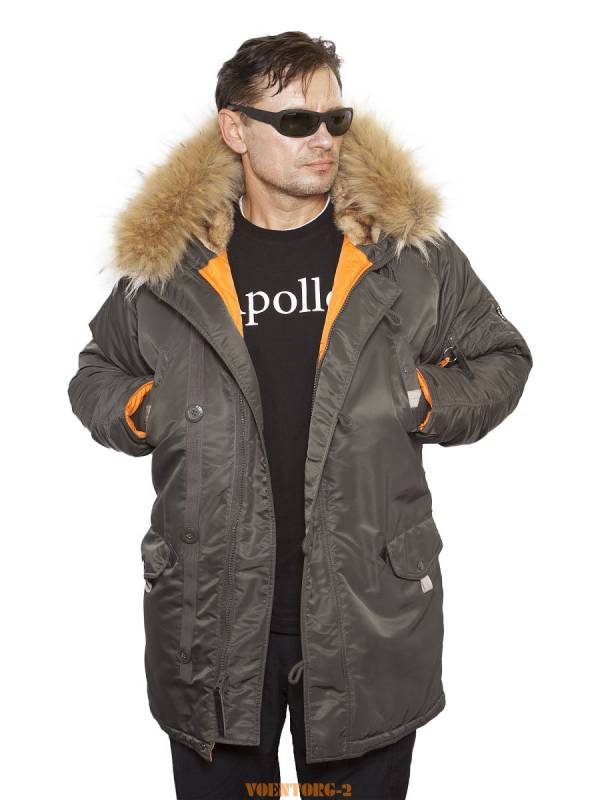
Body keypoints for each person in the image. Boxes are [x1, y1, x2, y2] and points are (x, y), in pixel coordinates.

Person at [67, 30, 533, 800]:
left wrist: (422, 397)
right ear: (235, 129)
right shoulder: (171, 265)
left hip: (366, 612)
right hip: (211, 620)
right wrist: (143, 410)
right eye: (295, 121)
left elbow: (502, 356)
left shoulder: (406, 256)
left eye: (334, 119)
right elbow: (96, 371)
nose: (324, 139)